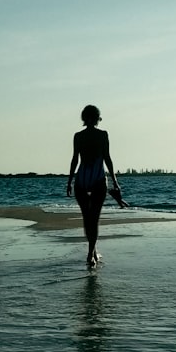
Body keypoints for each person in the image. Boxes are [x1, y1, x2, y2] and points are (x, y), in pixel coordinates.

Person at [66, 104, 121, 266]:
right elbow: (107, 159)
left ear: (84, 118)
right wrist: (115, 182)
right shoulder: (103, 135)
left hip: (82, 178)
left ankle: (92, 251)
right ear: (97, 118)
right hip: (98, 178)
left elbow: (75, 159)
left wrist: (69, 182)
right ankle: (91, 253)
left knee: (87, 218)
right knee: (94, 219)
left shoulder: (78, 136)